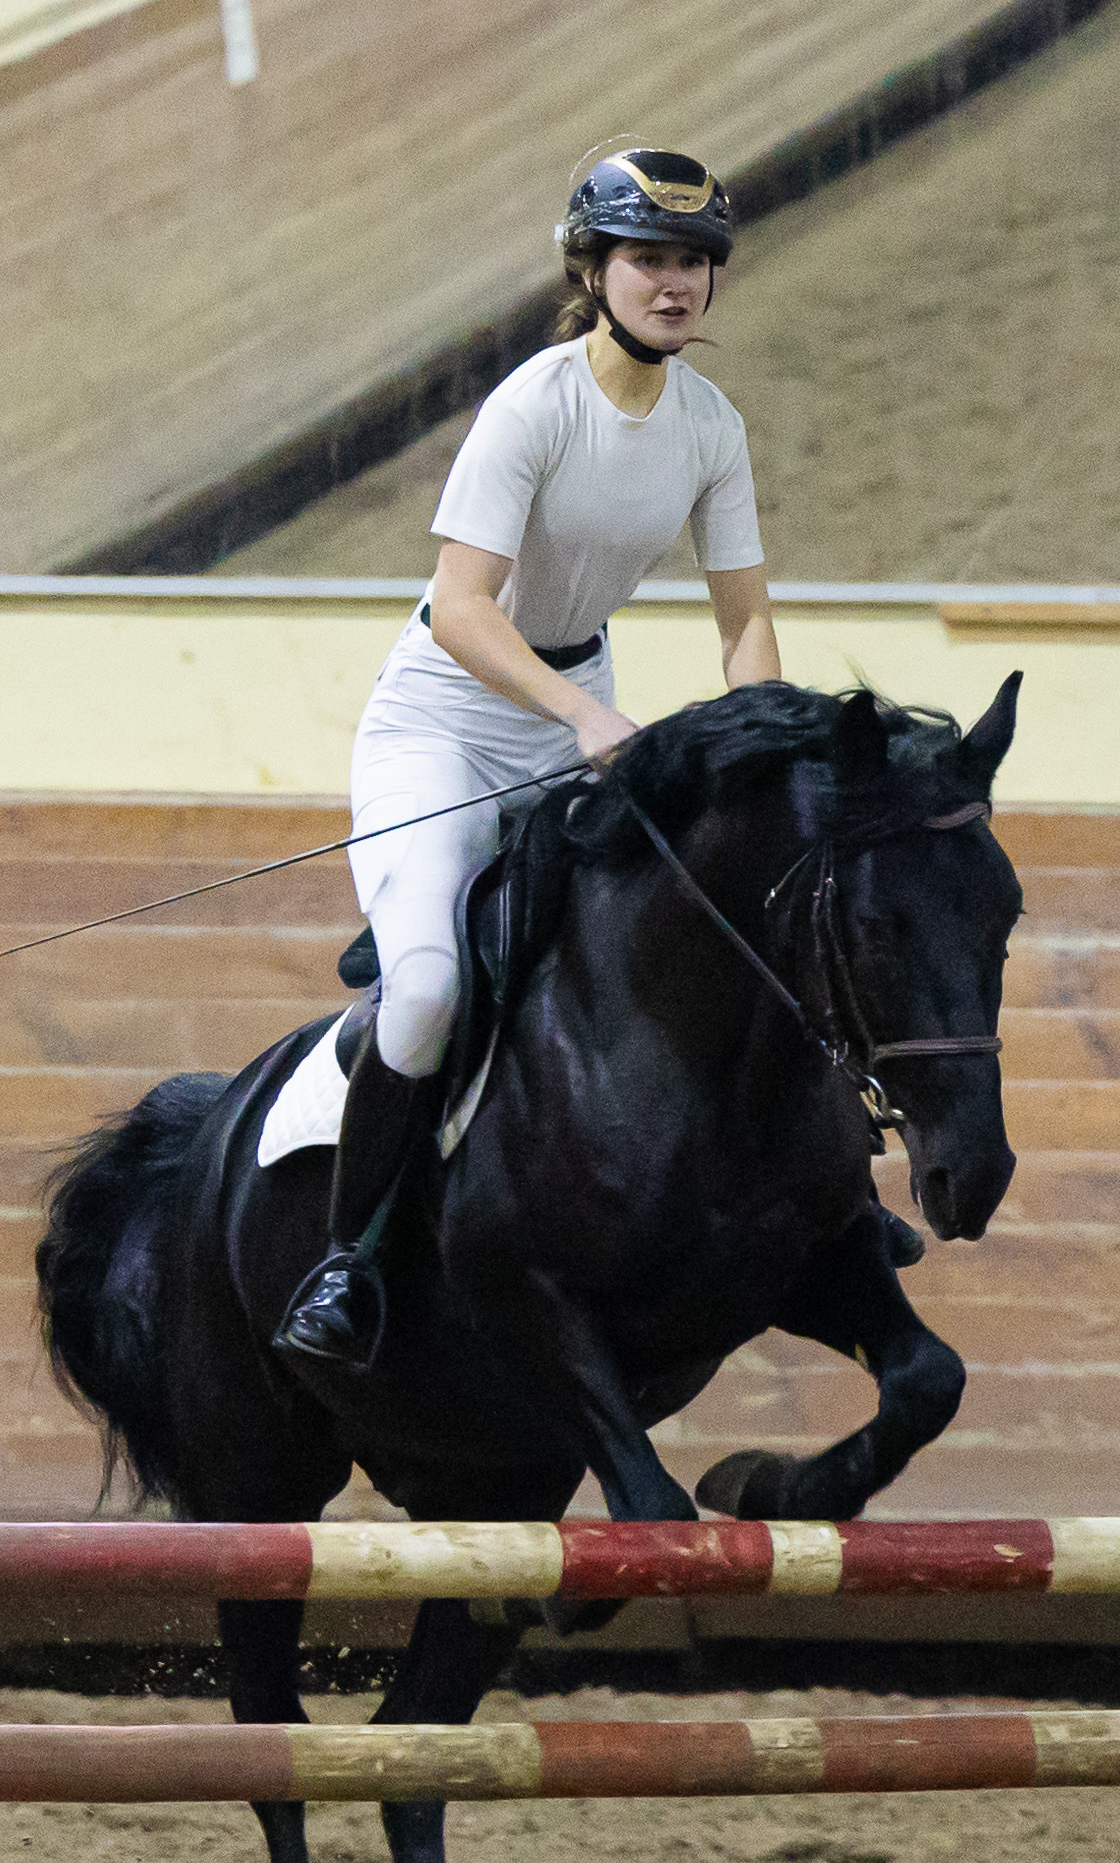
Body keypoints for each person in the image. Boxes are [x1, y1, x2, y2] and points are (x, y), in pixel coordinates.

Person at [274, 146, 780, 1369]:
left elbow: (744, 621)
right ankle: (345, 1262)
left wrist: (769, 752)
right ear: (593, 271)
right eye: (647, 259)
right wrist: (578, 716)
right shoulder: (532, 405)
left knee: (663, 948)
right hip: (446, 720)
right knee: (430, 988)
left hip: (570, 706)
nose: (674, 283)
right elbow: (460, 608)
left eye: (693, 262)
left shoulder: (710, 428)